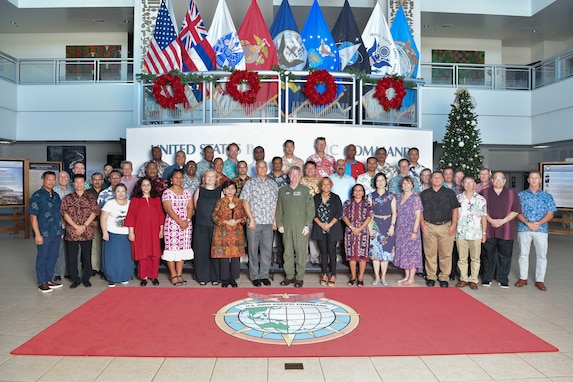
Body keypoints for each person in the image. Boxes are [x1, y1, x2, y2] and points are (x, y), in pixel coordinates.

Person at [515, 171, 557, 291]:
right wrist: (527, 223)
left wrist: (539, 223)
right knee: (523, 254)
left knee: (542, 255)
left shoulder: (547, 196)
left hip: (541, 229)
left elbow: (550, 214)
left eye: (536, 178)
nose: (533, 180)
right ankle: (523, 278)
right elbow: (517, 212)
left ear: (540, 180)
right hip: (524, 228)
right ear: (528, 180)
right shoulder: (521, 195)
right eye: (531, 178)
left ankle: (540, 280)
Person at [241, 161, 279, 286]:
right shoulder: (250, 183)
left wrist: (274, 220)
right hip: (254, 222)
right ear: (256, 169)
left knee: (267, 250)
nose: (262, 169)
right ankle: (254, 276)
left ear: (267, 169)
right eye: (259, 167)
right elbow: (245, 202)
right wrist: (251, 219)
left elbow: (276, 203)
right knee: (252, 250)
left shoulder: (273, 184)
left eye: (264, 167)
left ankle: (264, 275)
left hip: (268, 222)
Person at [480, 172, 521, 288]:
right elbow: (480, 210)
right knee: (488, 254)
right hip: (488, 228)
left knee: (505, 255)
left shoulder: (512, 194)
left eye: (501, 179)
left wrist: (502, 221)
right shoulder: (484, 193)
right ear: (492, 181)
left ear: (504, 181)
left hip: (506, 229)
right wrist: (492, 221)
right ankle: (487, 277)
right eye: (495, 179)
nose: (498, 181)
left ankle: (502, 278)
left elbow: (516, 210)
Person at [276, 166, 315, 288]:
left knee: (300, 252)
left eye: (296, 175)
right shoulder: (282, 190)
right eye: (292, 174)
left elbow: (310, 209)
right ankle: (289, 276)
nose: (294, 177)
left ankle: (299, 277)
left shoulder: (305, 190)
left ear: (300, 176)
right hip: (286, 225)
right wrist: (279, 224)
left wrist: (308, 225)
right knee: (287, 252)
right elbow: (279, 208)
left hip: (301, 226)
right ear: (289, 175)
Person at [419, 171, 459, 288]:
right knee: (429, 253)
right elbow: (420, 210)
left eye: (439, 177)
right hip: (429, 226)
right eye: (434, 177)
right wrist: (422, 225)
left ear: (443, 180)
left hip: (446, 226)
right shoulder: (424, 194)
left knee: (446, 254)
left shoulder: (450, 193)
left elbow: (455, 209)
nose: (436, 179)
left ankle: (444, 277)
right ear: (430, 180)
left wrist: (453, 225)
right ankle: (431, 276)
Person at [60, 174, 100, 289]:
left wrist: (84, 225)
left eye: (81, 182)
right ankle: (75, 279)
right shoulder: (67, 198)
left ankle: (86, 278)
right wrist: (75, 226)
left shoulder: (91, 197)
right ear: (73, 183)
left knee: (87, 256)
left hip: (87, 231)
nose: (79, 184)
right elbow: (64, 213)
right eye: (76, 182)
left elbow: (94, 212)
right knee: (72, 257)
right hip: (72, 231)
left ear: (85, 183)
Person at [124, 177, 164, 287]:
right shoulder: (135, 200)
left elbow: (161, 214)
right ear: (140, 187)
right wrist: (131, 232)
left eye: (148, 185)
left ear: (151, 187)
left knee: (154, 254)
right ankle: (144, 277)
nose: (146, 187)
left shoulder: (156, 199)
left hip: (154, 230)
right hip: (140, 231)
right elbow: (131, 216)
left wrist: (161, 229)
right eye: (144, 185)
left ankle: (154, 276)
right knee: (143, 253)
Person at [29, 171, 63, 293]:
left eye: (53, 179)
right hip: (44, 233)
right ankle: (42, 282)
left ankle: (49, 279)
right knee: (43, 257)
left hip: (56, 232)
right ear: (43, 180)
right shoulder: (37, 196)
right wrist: (37, 234)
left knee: (53, 256)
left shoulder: (56, 196)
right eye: (49, 179)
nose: (51, 182)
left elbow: (59, 214)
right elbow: (33, 217)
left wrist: (61, 229)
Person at [211, 179, 247, 288]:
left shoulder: (239, 202)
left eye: (232, 188)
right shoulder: (220, 202)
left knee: (236, 257)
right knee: (224, 256)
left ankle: (234, 278)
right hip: (223, 232)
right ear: (224, 190)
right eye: (227, 188)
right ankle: (225, 279)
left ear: (236, 190)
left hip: (236, 232)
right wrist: (225, 221)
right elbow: (214, 216)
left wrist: (237, 221)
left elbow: (244, 216)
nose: (230, 190)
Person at [162, 169, 194, 286]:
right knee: (172, 249)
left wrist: (187, 220)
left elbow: (190, 207)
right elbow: (168, 209)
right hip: (172, 225)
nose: (178, 179)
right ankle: (173, 275)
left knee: (182, 250)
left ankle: (180, 274)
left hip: (186, 225)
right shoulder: (167, 192)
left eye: (181, 177)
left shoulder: (187, 192)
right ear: (171, 179)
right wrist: (180, 222)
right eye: (176, 177)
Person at [455, 175, 487, 290]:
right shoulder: (458, 198)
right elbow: (455, 216)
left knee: (475, 258)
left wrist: (484, 233)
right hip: (461, 232)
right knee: (462, 258)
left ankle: (473, 279)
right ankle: (463, 278)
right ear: (462, 184)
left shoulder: (481, 199)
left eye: (471, 183)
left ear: (475, 184)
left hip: (476, 233)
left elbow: (484, 217)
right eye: (466, 183)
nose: (468, 185)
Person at [312, 177, 343, 287]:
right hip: (320, 228)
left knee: (332, 252)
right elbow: (312, 212)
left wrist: (329, 225)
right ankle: (324, 274)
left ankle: (333, 275)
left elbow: (339, 213)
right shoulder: (315, 198)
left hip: (332, 228)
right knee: (323, 252)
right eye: (323, 184)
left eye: (328, 184)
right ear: (320, 186)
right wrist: (321, 224)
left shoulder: (335, 198)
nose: (325, 186)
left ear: (331, 185)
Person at [101, 183, 133, 286]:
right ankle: (112, 277)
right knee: (112, 257)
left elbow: (134, 219)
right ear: (114, 193)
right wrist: (104, 232)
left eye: (123, 191)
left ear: (126, 192)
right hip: (112, 234)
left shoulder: (130, 203)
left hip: (126, 234)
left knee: (126, 257)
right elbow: (103, 219)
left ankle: (125, 276)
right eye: (118, 191)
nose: (120, 194)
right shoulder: (109, 204)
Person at [193, 169, 222, 286]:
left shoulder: (220, 191)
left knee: (215, 252)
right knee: (201, 252)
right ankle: (202, 277)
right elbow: (195, 206)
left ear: (216, 179)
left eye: (212, 176)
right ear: (204, 178)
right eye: (207, 176)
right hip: (201, 225)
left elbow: (223, 209)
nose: (210, 178)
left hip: (216, 226)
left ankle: (215, 276)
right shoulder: (199, 190)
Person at [367, 173, 396, 286]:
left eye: (382, 180)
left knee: (386, 252)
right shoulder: (371, 196)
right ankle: (377, 277)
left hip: (388, 224)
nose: (380, 182)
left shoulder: (391, 195)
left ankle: (383, 276)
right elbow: (368, 213)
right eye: (378, 180)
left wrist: (392, 226)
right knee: (375, 254)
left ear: (386, 181)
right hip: (375, 224)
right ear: (375, 182)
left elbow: (394, 212)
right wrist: (370, 228)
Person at [394, 176, 423, 286]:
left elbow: (418, 216)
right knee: (404, 253)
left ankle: (412, 278)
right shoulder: (398, 197)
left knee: (412, 253)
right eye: (404, 184)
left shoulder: (415, 198)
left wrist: (414, 232)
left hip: (411, 228)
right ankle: (406, 276)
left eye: (408, 184)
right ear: (401, 185)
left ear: (412, 185)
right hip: (401, 229)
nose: (406, 186)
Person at [342, 184, 372, 287]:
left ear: (363, 192)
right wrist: (352, 227)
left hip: (363, 231)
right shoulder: (348, 203)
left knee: (362, 256)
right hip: (350, 230)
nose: (358, 192)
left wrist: (360, 228)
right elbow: (344, 216)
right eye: (356, 190)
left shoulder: (367, 203)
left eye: (360, 190)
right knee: (352, 256)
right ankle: (353, 277)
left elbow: (369, 217)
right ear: (353, 192)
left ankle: (360, 278)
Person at [52, 171, 72, 282]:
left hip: (71, 225)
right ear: (57, 179)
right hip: (59, 225)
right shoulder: (54, 191)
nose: (63, 179)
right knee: (58, 250)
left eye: (65, 177)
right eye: (61, 177)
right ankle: (57, 273)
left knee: (69, 250)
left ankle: (68, 271)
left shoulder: (72, 190)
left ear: (68, 179)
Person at [87, 172, 105, 277]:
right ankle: (94, 267)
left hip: (105, 224)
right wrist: (92, 222)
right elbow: (84, 210)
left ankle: (103, 267)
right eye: (95, 179)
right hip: (92, 223)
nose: (97, 181)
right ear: (91, 181)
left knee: (104, 246)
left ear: (102, 181)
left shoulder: (107, 192)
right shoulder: (87, 193)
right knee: (93, 246)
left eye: (99, 179)